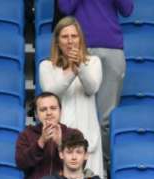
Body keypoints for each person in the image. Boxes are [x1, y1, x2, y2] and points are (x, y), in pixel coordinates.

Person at [57, 0, 133, 167]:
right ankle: (74, 165)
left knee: (106, 119)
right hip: (80, 47)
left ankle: (102, 167)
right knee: (78, 113)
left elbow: (127, 9)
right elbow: (65, 7)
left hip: (111, 48)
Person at [39, 17, 104, 179]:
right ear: (57, 41)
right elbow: (51, 94)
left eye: (74, 36)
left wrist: (80, 67)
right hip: (59, 140)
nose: (70, 41)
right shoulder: (46, 66)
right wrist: (72, 71)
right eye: (65, 36)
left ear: (80, 39)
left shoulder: (93, 62)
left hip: (88, 137)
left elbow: (92, 88)